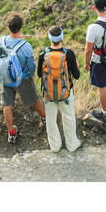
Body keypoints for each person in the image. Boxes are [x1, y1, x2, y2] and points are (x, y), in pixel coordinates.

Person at [0, 13, 46, 143]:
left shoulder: (1, 40)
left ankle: (11, 133)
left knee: (7, 104)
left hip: (5, 78)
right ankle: (45, 118)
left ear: (8, 27)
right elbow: (31, 66)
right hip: (22, 78)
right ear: (21, 27)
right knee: (35, 99)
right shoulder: (26, 46)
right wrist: (31, 76)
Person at [37, 25, 81, 153]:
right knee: (68, 117)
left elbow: (40, 75)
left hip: (48, 94)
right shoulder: (69, 54)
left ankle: (55, 146)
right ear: (61, 37)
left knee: (50, 120)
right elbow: (77, 76)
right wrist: (75, 66)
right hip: (65, 93)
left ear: (49, 38)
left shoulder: (43, 54)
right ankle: (72, 145)